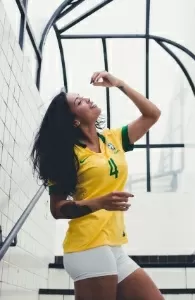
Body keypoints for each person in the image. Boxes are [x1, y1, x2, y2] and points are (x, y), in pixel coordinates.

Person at [31, 71, 163, 300]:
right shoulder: (67, 155)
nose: (88, 99)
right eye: (79, 102)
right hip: (87, 246)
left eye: (83, 96)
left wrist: (119, 84)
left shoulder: (113, 139)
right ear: (74, 120)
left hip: (113, 245)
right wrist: (99, 203)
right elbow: (57, 208)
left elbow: (152, 114)